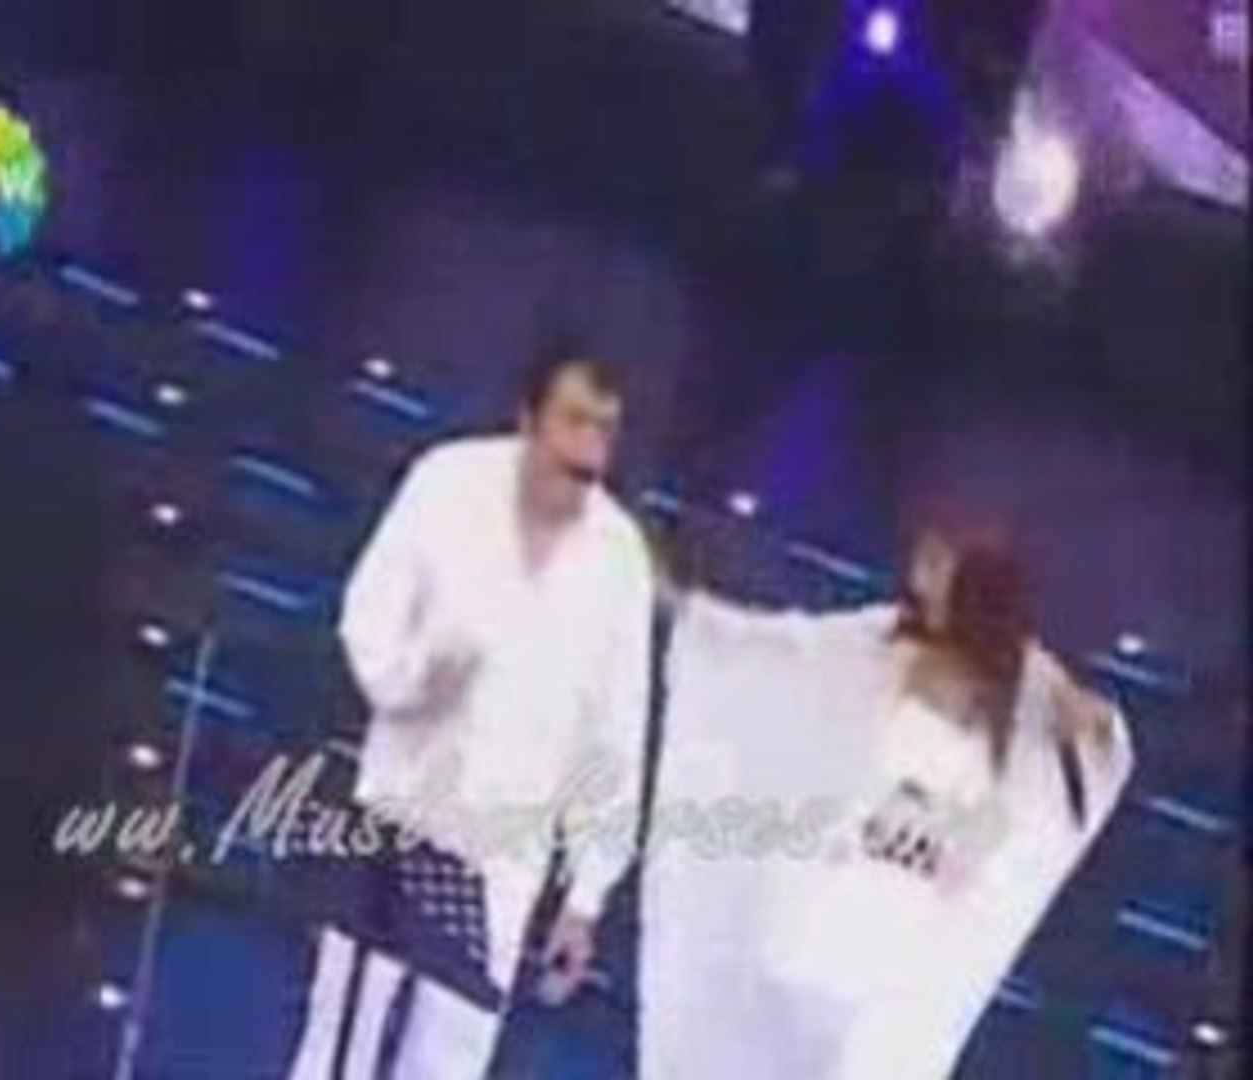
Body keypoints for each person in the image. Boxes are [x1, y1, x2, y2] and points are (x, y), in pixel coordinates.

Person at [640, 511, 1131, 1079]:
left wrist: (1073, 714)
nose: (920, 565)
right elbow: (771, 655)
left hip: (907, 943)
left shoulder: (1029, 691)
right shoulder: (874, 645)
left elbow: (1096, 751)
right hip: (827, 914)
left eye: (938, 556)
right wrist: (685, 608)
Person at [287, 346, 655, 1080]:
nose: (588, 450)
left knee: (451, 1061)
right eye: (574, 422)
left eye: (604, 431)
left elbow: (617, 732)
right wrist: (411, 682)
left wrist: (586, 897)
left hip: (508, 847)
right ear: (528, 420)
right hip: (400, 809)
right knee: (339, 1044)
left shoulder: (618, 556)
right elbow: (369, 612)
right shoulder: (448, 483)